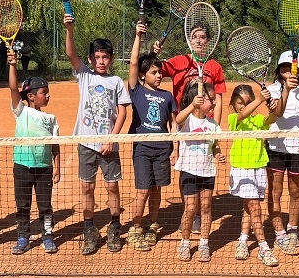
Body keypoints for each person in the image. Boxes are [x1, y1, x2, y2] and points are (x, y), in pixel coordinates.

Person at [64, 13, 131, 255]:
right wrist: (69, 29)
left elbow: (122, 112)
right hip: (86, 144)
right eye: (97, 57)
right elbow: (71, 54)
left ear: (111, 59)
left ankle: (114, 227)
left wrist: (111, 139)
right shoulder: (84, 75)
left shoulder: (116, 81)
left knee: (112, 187)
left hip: (109, 144)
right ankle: (90, 230)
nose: (101, 61)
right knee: (87, 188)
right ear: (91, 59)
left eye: (105, 57)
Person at [153, 23, 227, 233]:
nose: (197, 40)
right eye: (194, 36)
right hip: (182, 122)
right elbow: (155, 67)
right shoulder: (179, 61)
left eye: (202, 37)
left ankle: (196, 215)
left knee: (203, 166)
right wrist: (154, 51)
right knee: (185, 166)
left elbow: (219, 99)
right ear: (189, 39)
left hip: (206, 125)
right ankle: (188, 210)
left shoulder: (214, 66)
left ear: (208, 41)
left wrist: (216, 128)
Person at [126, 21, 177, 251]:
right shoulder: (136, 90)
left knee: (157, 189)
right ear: (144, 75)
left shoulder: (168, 96)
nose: (158, 76)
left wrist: (175, 147)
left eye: (160, 72)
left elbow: (173, 124)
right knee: (143, 189)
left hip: (162, 149)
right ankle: (135, 228)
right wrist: (138, 36)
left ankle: (152, 225)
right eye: (154, 72)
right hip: (143, 148)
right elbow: (135, 62)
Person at [8, 50, 60, 254]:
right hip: (21, 166)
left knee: (45, 206)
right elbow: (13, 89)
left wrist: (56, 168)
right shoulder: (21, 111)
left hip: (44, 167)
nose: (47, 95)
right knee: (22, 204)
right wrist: (13, 64)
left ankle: (47, 236)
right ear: (30, 96)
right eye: (43, 92)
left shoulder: (51, 118)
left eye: (47, 92)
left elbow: (56, 144)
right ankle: (23, 236)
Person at [264, 51, 299, 256]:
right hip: (275, 147)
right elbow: (278, 112)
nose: (287, 70)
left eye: (291, 67)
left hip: (298, 149)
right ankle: (279, 233)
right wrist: (285, 89)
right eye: (283, 67)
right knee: (274, 192)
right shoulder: (272, 90)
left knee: (295, 191)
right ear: (279, 68)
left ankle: (292, 229)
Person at [228, 85, 279, 267]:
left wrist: (272, 110)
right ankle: (264, 247)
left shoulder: (257, 119)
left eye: (247, 103)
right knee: (256, 208)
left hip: (258, 167)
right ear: (233, 104)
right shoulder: (234, 119)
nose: (244, 106)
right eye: (240, 103)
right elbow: (242, 116)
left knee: (249, 208)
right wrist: (258, 100)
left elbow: (270, 120)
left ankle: (242, 241)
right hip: (242, 168)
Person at [174, 79, 224, 262]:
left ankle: (204, 243)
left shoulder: (213, 124)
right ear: (200, 100)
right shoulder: (187, 119)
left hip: (208, 171)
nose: (215, 102)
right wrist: (192, 105)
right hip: (189, 170)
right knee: (190, 208)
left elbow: (215, 145)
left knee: (205, 207)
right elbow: (177, 120)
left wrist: (218, 155)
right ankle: (185, 243)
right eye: (211, 99)